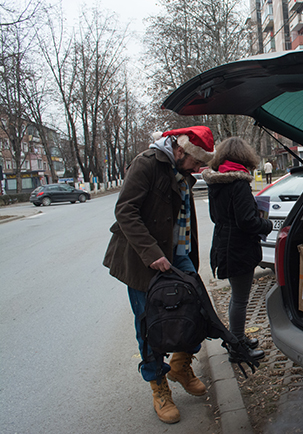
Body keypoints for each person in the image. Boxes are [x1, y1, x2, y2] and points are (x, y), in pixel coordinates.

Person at [103, 125, 214, 424]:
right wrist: (153, 254)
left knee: (199, 311)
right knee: (150, 326)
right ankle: (158, 385)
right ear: (180, 150)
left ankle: (180, 366)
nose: (199, 168)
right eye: (196, 161)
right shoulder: (147, 164)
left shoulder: (183, 171)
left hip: (178, 255)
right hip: (143, 259)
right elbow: (125, 211)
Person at [202, 137, 273, 362]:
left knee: (236, 296)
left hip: (224, 245)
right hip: (239, 249)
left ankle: (236, 338)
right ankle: (238, 348)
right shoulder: (239, 183)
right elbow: (246, 221)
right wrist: (266, 224)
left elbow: (216, 217)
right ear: (244, 156)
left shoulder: (216, 182)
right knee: (241, 299)